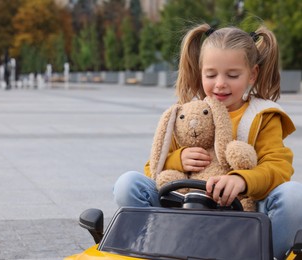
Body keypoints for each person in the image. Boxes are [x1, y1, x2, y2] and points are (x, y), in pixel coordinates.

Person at [113, 23, 302, 260]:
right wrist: (177, 159)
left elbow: (278, 169)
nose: (220, 83)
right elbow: (153, 168)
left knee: (294, 195)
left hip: (244, 215)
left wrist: (242, 180)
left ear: (252, 74)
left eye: (232, 75)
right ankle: (147, 245)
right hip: (184, 207)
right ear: (200, 72)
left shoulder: (262, 116)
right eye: (211, 75)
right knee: (128, 183)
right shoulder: (188, 114)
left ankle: (271, 255)